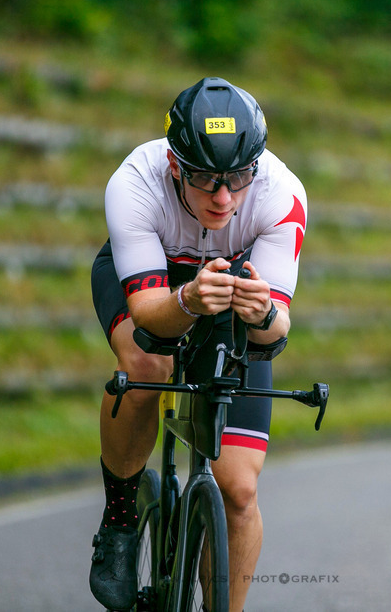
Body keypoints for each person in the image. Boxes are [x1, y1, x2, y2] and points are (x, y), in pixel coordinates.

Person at [88, 77, 307, 611]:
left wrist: (262, 314)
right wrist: (186, 299)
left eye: (237, 178)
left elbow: (277, 329)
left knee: (238, 491)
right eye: (206, 180)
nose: (224, 197)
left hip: (231, 296)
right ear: (174, 166)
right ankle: (119, 521)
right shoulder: (135, 181)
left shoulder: (282, 193)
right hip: (159, 285)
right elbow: (147, 318)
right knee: (147, 364)